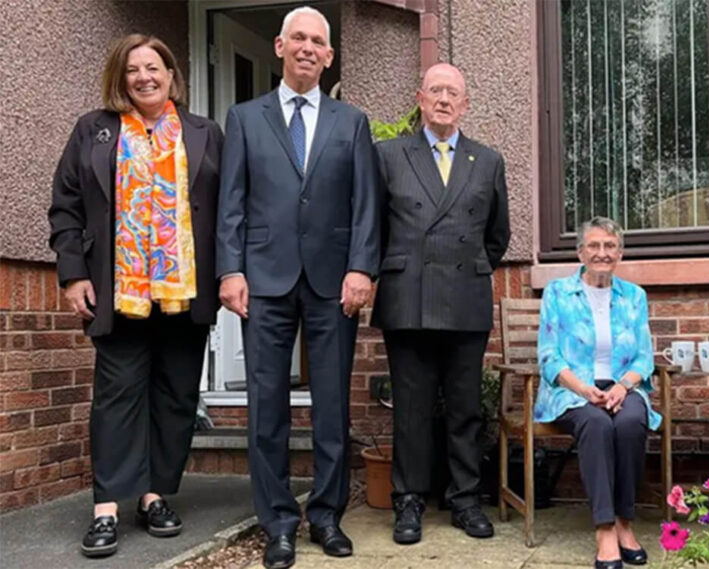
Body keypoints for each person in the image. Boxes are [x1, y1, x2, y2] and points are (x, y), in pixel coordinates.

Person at [48, 34, 223, 558]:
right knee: (119, 395)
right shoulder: (95, 131)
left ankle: (154, 496)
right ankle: (107, 506)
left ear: (172, 74)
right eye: (133, 70)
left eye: (154, 67)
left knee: (175, 396)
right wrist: (73, 274)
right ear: (120, 79)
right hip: (118, 292)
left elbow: (229, 209)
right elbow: (66, 207)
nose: (144, 77)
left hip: (184, 291)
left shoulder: (204, 133)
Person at [216, 6, 379, 568]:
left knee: (332, 402)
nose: (309, 48)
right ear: (280, 46)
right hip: (263, 278)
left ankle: (328, 516)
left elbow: (366, 206)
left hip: (334, 282)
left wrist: (362, 269)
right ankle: (279, 523)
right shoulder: (244, 118)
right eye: (299, 39)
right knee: (267, 405)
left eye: (319, 41)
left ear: (330, 56)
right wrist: (230, 270)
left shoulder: (351, 122)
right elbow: (230, 202)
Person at [372, 63, 510, 545]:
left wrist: (467, 269)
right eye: (436, 91)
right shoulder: (389, 156)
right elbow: (375, 229)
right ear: (421, 99)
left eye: (453, 92)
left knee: (466, 408)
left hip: (465, 299)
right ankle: (408, 500)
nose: (444, 99)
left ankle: (465, 499)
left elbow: (498, 237)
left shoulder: (487, 161)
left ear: (465, 103)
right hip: (408, 298)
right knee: (410, 409)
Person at [535, 217, 661, 569]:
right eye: (594, 246)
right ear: (580, 252)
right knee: (597, 423)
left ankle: (625, 522)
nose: (601, 253)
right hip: (571, 388)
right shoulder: (558, 293)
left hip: (621, 386)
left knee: (632, 421)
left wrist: (622, 386)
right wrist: (581, 387)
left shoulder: (634, 297)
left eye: (609, 246)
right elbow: (548, 354)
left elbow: (643, 357)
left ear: (620, 253)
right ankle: (605, 527)